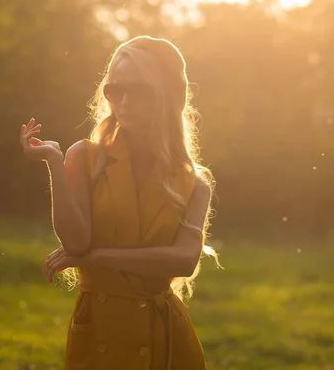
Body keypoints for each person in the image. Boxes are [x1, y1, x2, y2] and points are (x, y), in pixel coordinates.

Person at [19, 35, 219, 369]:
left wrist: (97, 257)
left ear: (166, 96)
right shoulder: (84, 157)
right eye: (115, 91)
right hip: (100, 331)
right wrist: (54, 160)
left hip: (166, 337)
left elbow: (184, 260)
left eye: (138, 90)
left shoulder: (194, 182)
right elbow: (75, 241)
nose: (123, 101)